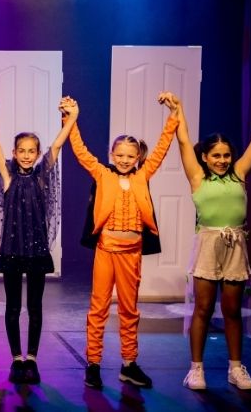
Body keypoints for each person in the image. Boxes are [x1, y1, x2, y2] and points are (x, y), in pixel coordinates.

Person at [169, 90, 251, 390]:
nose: (222, 160)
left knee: (232, 310)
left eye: (226, 155)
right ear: (205, 157)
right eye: (216, 155)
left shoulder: (239, 173)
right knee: (203, 309)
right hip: (208, 245)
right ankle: (196, 369)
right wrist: (178, 109)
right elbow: (183, 140)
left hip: (235, 246)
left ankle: (236, 368)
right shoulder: (197, 177)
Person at [63, 95, 178, 389]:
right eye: (120, 155)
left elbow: (163, 147)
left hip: (132, 253)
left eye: (131, 155)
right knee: (98, 307)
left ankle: (129, 363)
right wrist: (70, 118)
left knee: (129, 309)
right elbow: (80, 151)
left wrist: (174, 116)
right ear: (112, 155)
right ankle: (93, 362)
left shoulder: (144, 174)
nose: (125, 160)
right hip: (106, 251)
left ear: (138, 157)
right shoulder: (102, 174)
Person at [0, 96, 76, 384]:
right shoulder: (7, 174)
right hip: (11, 250)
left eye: (31, 151)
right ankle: (15, 358)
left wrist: (73, 116)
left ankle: (31, 358)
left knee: (34, 306)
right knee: (12, 307)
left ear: (36, 154)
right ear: (14, 152)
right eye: (21, 150)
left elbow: (57, 145)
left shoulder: (43, 175)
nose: (26, 155)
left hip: (36, 251)